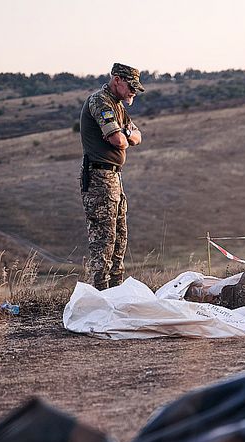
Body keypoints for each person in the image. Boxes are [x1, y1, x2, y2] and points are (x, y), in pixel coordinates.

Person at [79, 63, 144, 290]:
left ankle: (116, 293)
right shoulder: (100, 102)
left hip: (114, 177)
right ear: (117, 80)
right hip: (99, 177)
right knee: (103, 241)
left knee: (119, 238)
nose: (133, 92)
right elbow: (118, 141)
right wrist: (125, 135)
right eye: (130, 86)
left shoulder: (118, 106)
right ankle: (101, 295)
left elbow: (137, 136)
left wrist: (125, 133)